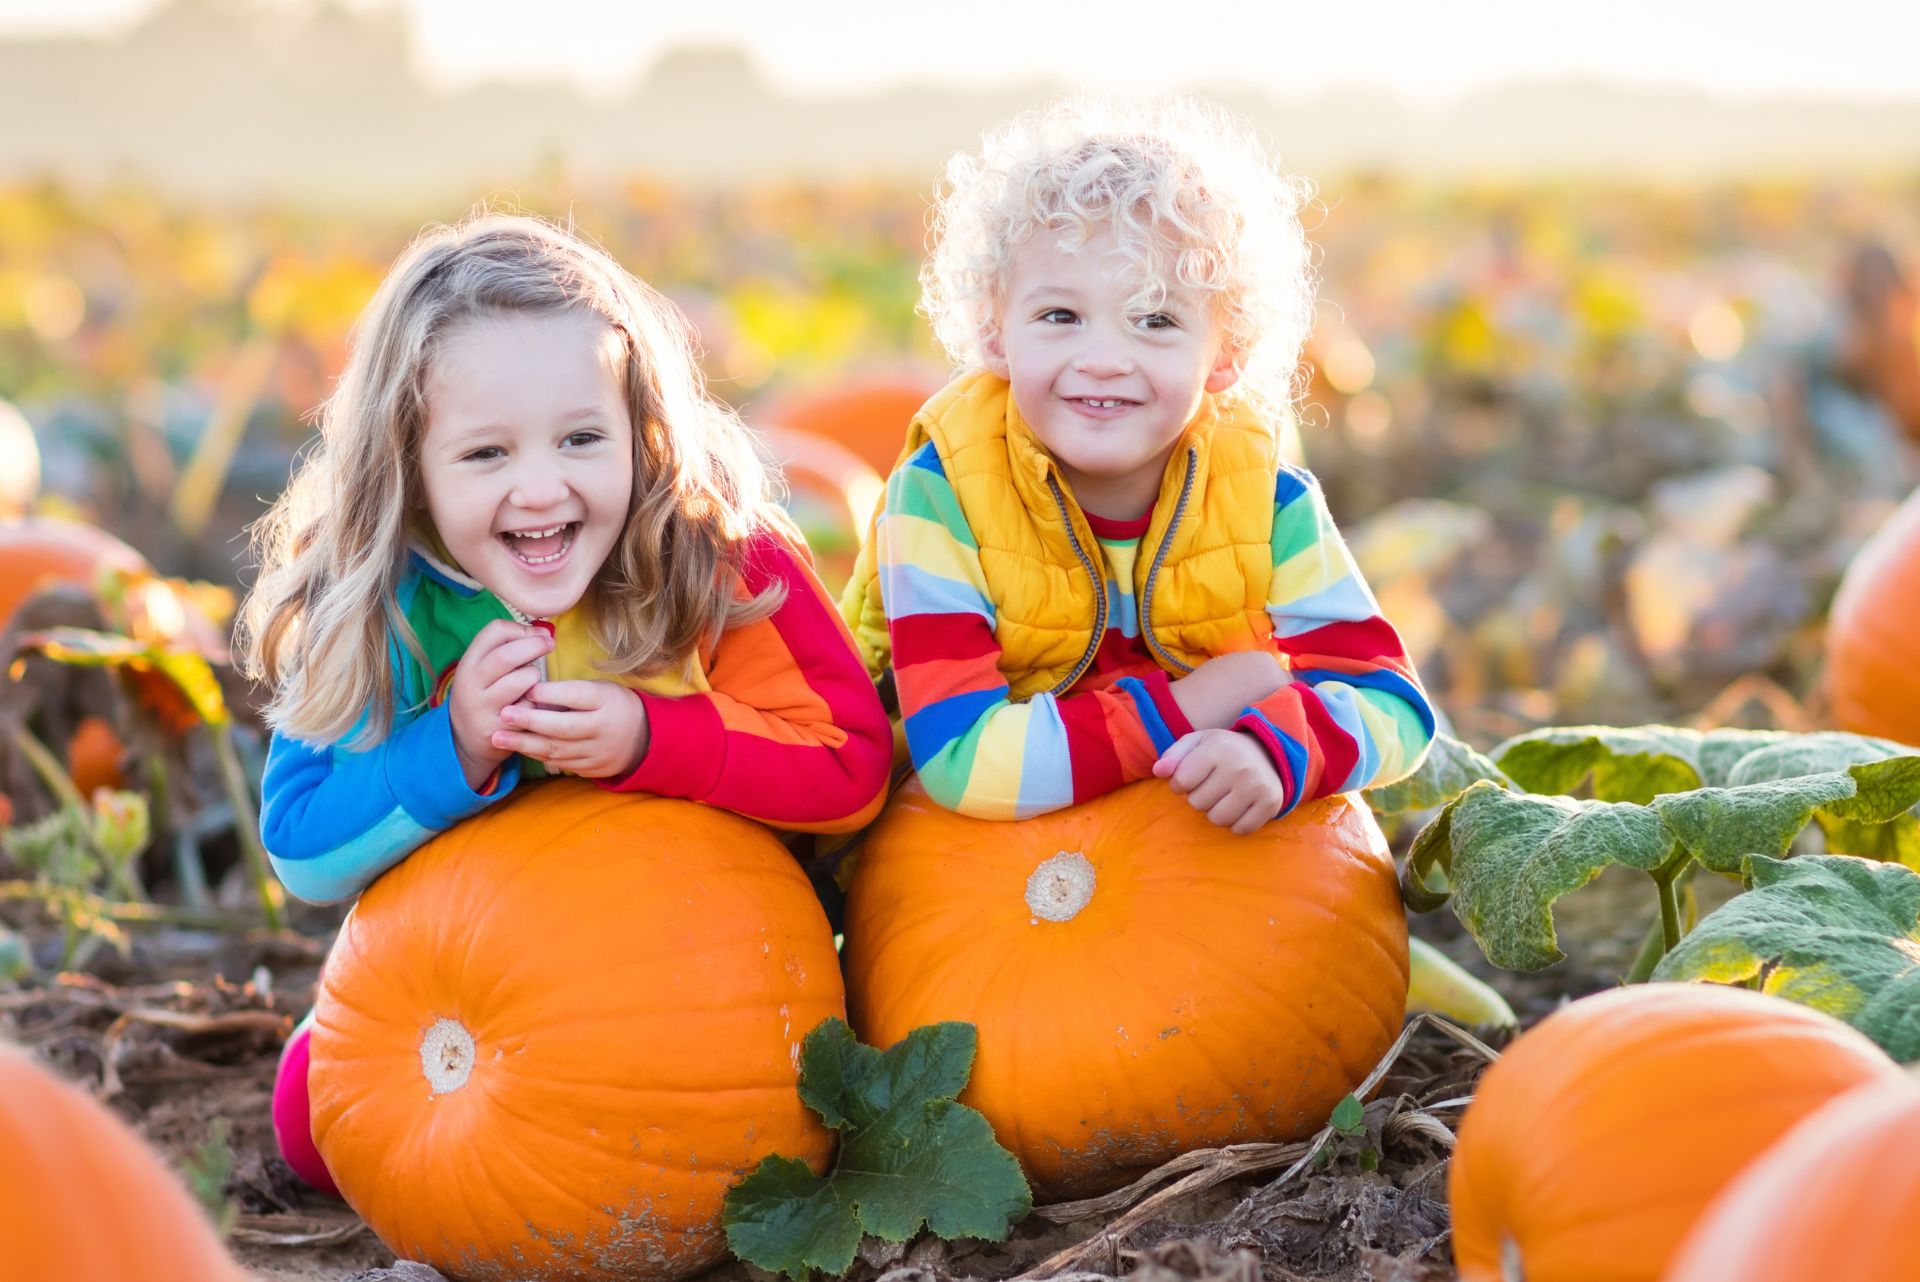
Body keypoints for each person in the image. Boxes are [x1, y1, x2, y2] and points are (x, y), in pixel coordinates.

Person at [237, 211, 891, 1190]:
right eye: (486, 455)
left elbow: (852, 766)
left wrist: (652, 739)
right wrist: (449, 747)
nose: (541, 488)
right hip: (484, 982)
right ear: (407, 465)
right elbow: (301, 849)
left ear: (645, 429)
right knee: (314, 1127)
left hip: (712, 978)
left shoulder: (718, 565)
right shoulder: (384, 605)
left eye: (582, 437)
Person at [840, 97, 1434, 831]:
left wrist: (1274, 752)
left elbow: (1394, 704)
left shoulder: (1266, 500)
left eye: (1155, 320)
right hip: (975, 873)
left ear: (1228, 354)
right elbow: (963, 761)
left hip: (1197, 863)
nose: (1102, 360)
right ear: (995, 334)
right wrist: (1192, 705)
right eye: (1060, 316)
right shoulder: (940, 497)